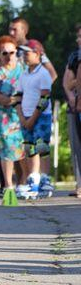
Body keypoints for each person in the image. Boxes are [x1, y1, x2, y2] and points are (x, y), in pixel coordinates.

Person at [12, 39, 54, 199]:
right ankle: (33, 179)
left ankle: (42, 180)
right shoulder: (24, 74)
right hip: (26, 116)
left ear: (37, 54)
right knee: (29, 148)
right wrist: (22, 116)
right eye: (23, 53)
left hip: (41, 116)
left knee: (40, 147)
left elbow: (44, 99)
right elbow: (18, 96)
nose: (24, 56)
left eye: (27, 52)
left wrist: (32, 119)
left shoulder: (43, 74)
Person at [0, 36, 25, 196]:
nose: (9, 56)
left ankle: (22, 184)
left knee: (22, 150)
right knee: (7, 148)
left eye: (12, 52)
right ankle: (8, 186)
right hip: (1, 117)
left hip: (21, 114)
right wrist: (16, 99)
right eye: (5, 53)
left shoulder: (22, 68)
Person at [9, 17, 58, 83]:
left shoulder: (33, 46)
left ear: (24, 31)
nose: (11, 33)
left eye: (15, 30)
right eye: (10, 29)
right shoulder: (6, 49)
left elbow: (52, 74)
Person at [63, 24, 81, 198]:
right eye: (78, 36)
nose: (78, 40)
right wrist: (73, 98)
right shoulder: (75, 57)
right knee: (77, 147)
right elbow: (67, 83)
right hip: (76, 106)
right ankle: (80, 185)